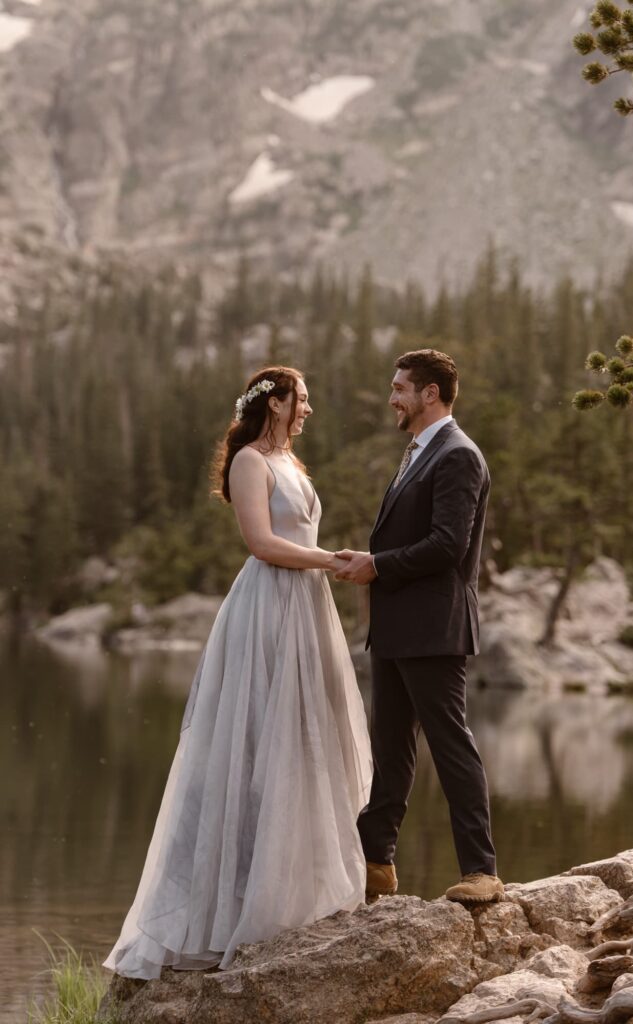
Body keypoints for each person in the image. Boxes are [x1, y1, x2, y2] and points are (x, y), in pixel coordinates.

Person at [104, 366, 372, 979]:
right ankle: (230, 908)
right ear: (274, 404)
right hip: (270, 607)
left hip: (305, 605)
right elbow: (261, 542)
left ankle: (290, 894)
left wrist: (324, 566)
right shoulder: (250, 460)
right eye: (301, 399)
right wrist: (331, 560)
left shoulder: (294, 465)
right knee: (254, 742)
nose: (307, 409)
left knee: (303, 745)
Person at [335, 348, 503, 905]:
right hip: (398, 627)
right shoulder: (418, 453)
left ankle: (481, 870)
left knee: (451, 744)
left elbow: (448, 546)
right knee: (392, 748)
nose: (392, 398)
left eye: (400, 387)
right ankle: (376, 863)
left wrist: (377, 565)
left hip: (434, 628)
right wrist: (371, 558)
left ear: (430, 393)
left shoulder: (458, 455)